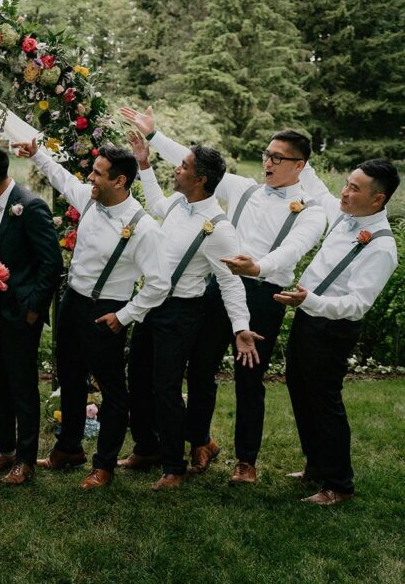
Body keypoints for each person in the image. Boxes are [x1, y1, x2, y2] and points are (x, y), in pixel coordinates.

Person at [123, 107, 326, 484]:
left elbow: (294, 248)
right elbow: (194, 165)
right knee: (201, 368)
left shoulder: (312, 212)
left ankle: (246, 461)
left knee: (249, 377)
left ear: (299, 166)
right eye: (266, 154)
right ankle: (200, 442)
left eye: (277, 157)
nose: (268, 161)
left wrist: (258, 267)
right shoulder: (245, 188)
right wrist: (153, 137)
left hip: (266, 294)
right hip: (221, 285)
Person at [15, 139, 168, 490]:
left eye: (98, 174)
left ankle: (104, 465)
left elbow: (159, 284)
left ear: (120, 181)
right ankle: (68, 448)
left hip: (106, 312)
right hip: (72, 302)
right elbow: (61, 177)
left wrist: (125, 316)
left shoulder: (143, 228)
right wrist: (37, 153)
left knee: (113, 391)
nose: (90, 179)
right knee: (69, 377)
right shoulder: (90, 198)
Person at [123, 131, 262, 490]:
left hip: (181, 314)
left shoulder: (219, 229)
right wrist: (143, 163)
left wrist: (240, 327)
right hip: (151, 305)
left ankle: (174, 466)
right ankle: (148, 447)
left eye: (183, 166)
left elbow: (231, 283)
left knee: (165, 387)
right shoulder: (177, 203)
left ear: (200, 179)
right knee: (138, 378)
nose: (177, 170)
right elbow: (155, 204)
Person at [276, 159, 399, 505]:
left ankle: (339, 485)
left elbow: (357, 304)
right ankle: (316, 465)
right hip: (308, 316)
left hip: (333, 328)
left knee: (325, 401)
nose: (344, 191)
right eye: (346, 183)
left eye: (354, 188)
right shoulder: (346, 216)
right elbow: (315, 186)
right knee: (300, 390)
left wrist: (310, 300)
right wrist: (300, 156)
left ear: (378, 200)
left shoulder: (381, 247)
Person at [0, 144, 63, 486]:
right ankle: (4, 450)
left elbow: (52, 264)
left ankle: (25, 459)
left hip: (20, 315)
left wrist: (33, 311)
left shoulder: (30, 206)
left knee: (22, 387)